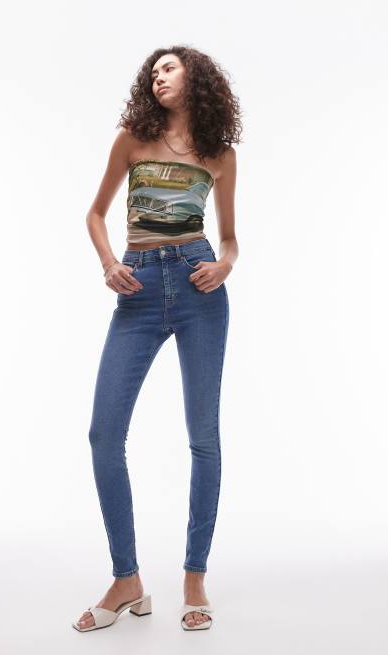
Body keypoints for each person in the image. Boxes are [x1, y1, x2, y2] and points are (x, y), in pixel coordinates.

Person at [73, 45, 242, 632]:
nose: (157, 76)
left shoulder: (220, 153)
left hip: (199, 287)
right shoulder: (132, 139)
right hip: (138, 287)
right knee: (104, 434)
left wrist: (225, 264)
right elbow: (95, 214)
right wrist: (107, 263)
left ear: (197, 77)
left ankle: (194, 576)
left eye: (168, 67)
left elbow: (230, 238)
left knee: (203, 437)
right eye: (153, 71)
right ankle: (128, 580)